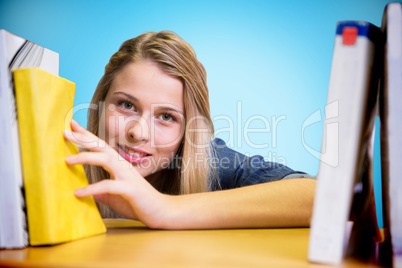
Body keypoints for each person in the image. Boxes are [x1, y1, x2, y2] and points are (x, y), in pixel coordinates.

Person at [63, 30, 316, 230]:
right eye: (126, 105)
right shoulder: (65, 164)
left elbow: (321, 198)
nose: (138, 133)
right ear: (101, 103)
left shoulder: (213, 164)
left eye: (166, 116)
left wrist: (164, 208)